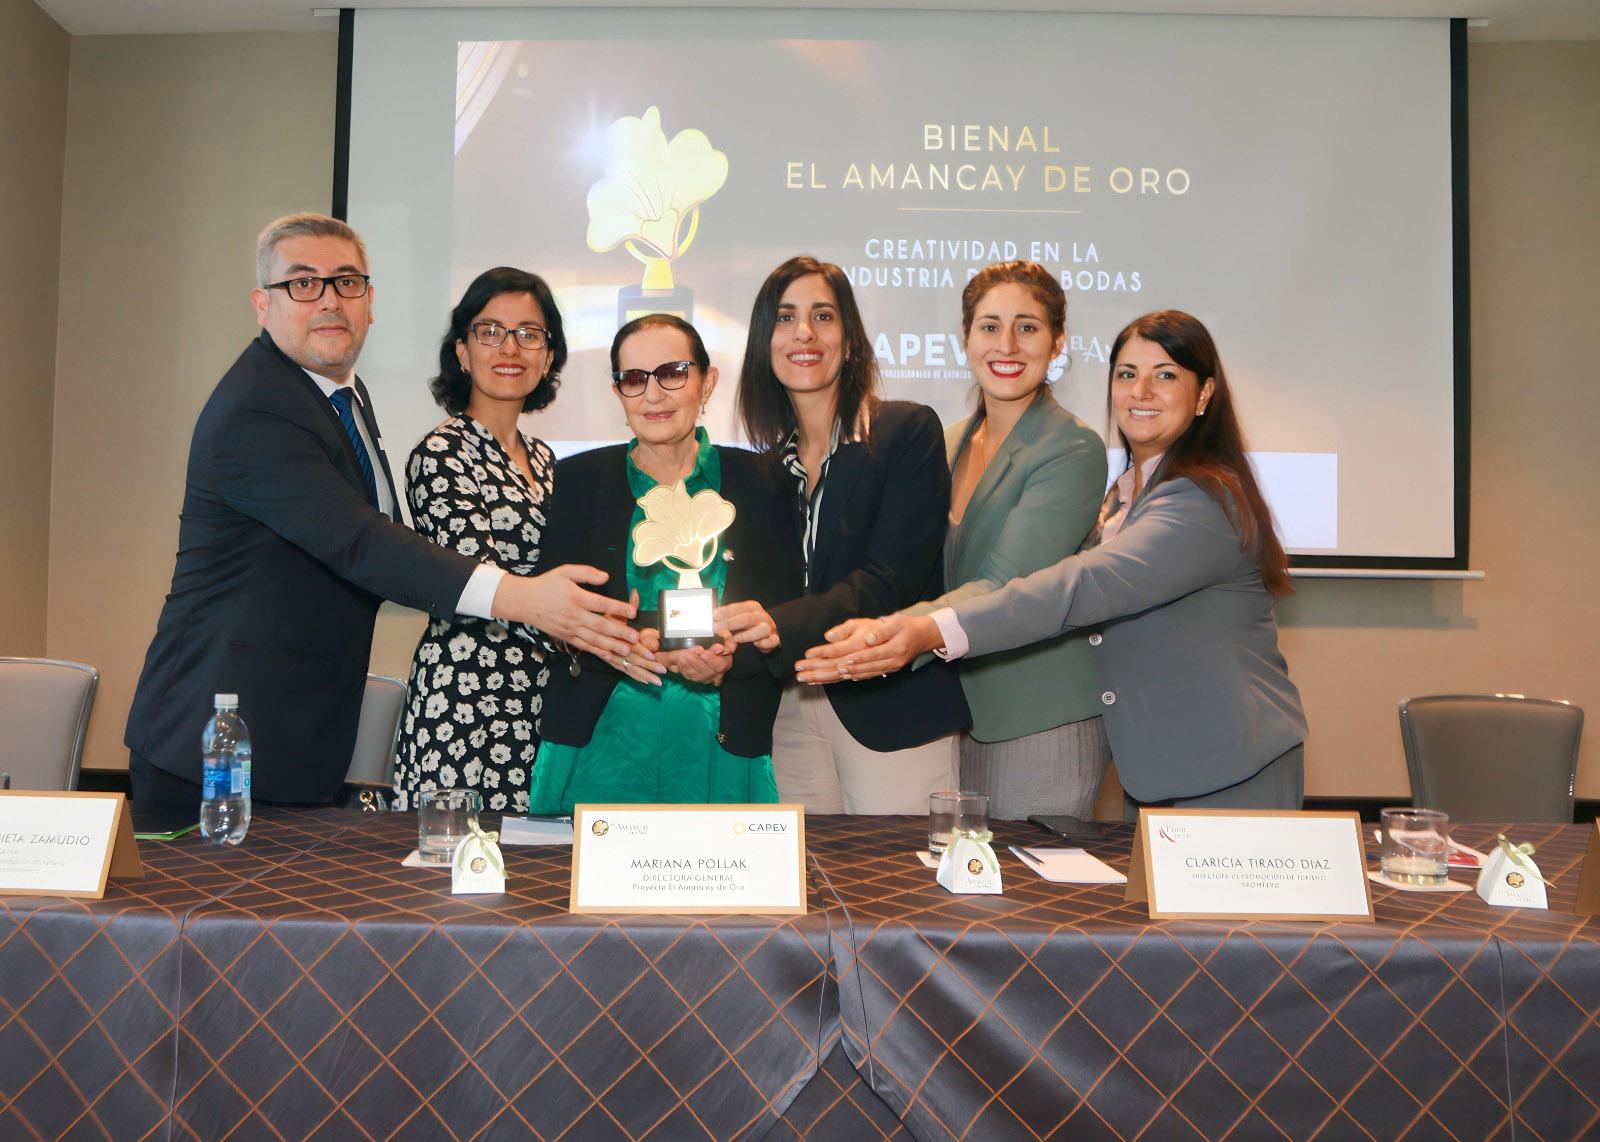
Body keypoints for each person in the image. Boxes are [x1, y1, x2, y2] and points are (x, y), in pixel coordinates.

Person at [125, 214, 641, 808]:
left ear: (369, 300)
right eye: (302, 283)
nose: (328, 300)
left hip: (298, 735)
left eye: (346, 282)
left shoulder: (341, 394)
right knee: (197, 906)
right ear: (262, 304)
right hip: (220, 747)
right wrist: (525, 598)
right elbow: (358, 541)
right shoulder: (257, 408)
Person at [798, 310, 1308, 813]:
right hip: (1159, 766)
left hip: (1228, 766)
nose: (1141, 392)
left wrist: (925, 630)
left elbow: (1081, 585)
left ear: (1204, 395)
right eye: (1127, 375)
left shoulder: (1201, 498)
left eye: (1166, 376)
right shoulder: (1126, 495)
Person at [717, 256, 969, 814]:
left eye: (822, 316)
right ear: (765, 342)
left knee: (901, 895)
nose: (803, 333)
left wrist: (774, 624)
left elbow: (890, 580)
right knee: (804, 888)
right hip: (788, 708)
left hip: (889, 704)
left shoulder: (906, 432)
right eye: (785, 318)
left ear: (849, 340)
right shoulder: (762, 470)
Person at [528, 315, 802, 813]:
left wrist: (727, 661)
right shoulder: (577, 481)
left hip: (722, 742)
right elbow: (551, 616)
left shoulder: (762, 482)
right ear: (619, 394)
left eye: (672, 373)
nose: (653, 394)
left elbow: (785, 615)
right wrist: (625, 642)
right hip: (600, 744)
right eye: (634, 380)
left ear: (707, 383)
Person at [894, 262, 1109, 820]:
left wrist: (897, 634)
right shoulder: (948, 442)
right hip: (958, 716)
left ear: (1058, 341)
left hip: (1040, 716)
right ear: (964, 338)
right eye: (989, 327)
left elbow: (1005, 581)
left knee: (1034, 903)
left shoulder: (1073, 447)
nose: (1007, 345)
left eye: (1028, 327)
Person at [392, 267, 568, 813]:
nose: (509, 347)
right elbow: (475, 579)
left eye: (528, 334)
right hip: (468, 701)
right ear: (463, 352)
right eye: (489, 331)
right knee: (452, 890)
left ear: (546, 356)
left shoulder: (546, 460)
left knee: (537, 887)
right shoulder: (440, 452)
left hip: (542, 701)